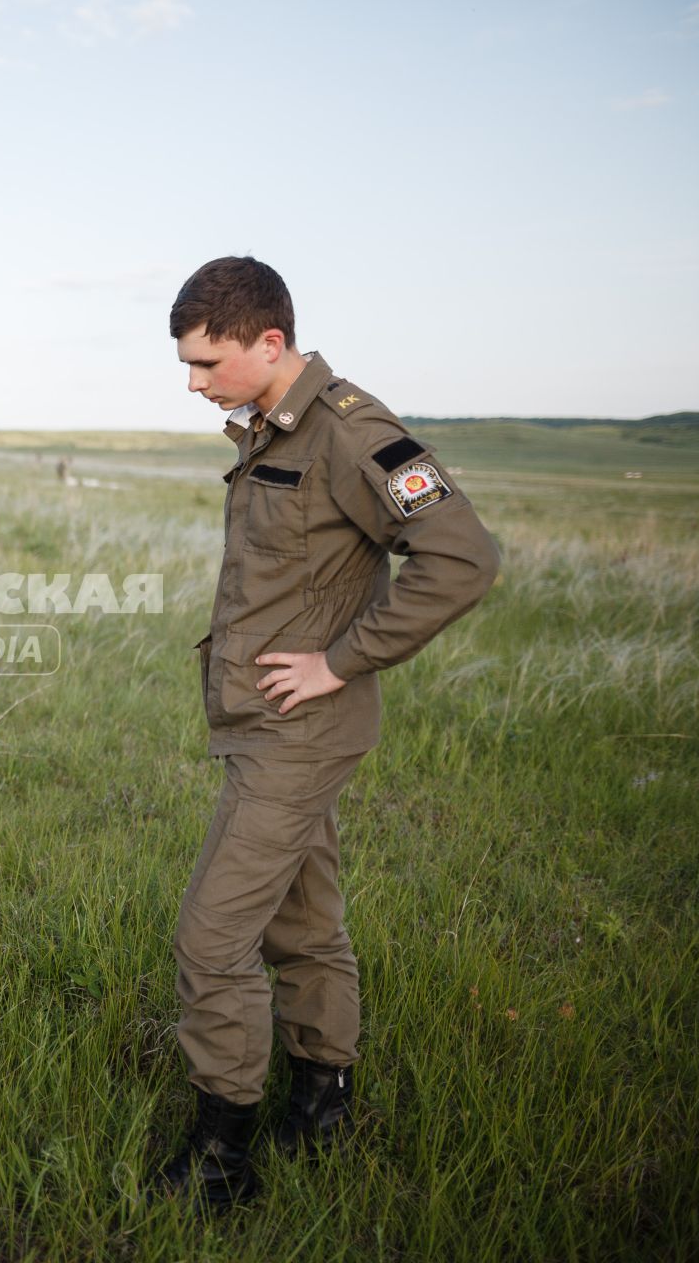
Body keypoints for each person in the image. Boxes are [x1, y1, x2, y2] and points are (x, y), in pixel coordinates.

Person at [157, 257, 500, 1207]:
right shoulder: (274, 424)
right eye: (185, 364)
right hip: (267, 726)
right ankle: (323, 1099)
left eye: (206, 362)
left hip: (299, 732)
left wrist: (340, 662)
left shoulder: (354, 434)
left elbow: (462, 556)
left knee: (212, 939)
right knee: (304, 925)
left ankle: (224, 1155)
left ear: (271, 342)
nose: (193, 383)